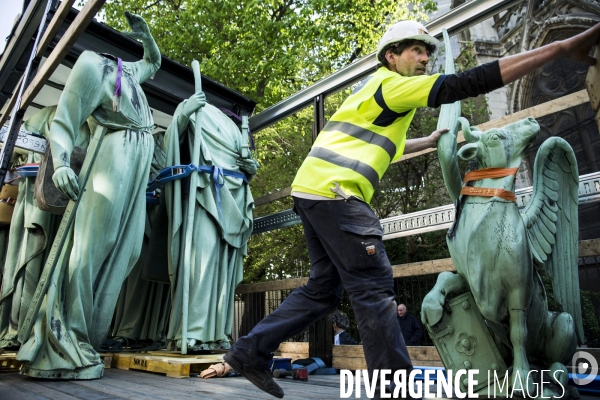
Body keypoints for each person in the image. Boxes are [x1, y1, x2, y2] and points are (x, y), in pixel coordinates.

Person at [223, 20, 600, 398]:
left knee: (323, 289)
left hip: (313, 192)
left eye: (428, 52)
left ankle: (248, 352)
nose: (425, 58)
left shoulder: (375, 95)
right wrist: (560, 49)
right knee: (372, 287)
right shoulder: (393, 84)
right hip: (339, 196)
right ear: (392, 56)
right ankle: (395, 391)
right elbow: (469, 82)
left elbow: (388, 146)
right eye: (416, 51)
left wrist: (430, 141)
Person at [16, 13, 160, 380]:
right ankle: (67, 336)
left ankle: (89, 336)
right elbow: (65, 120)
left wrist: (146, 38)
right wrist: (62, 163)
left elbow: (152, 63)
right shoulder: (92, 64)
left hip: (137, 166)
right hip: (112, 157)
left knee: (126, 252)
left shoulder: (129, 73)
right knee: (91, 247)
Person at [162, 91, 257, 351]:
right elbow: (169, 144)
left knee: (224, 271)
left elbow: (246, 164)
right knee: (199, 264)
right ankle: (190, 332)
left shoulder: (239, 130)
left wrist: (251, 168)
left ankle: (217, 334)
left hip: (234, 198)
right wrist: (183, 114)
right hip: (205, 192)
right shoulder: (194, 109)